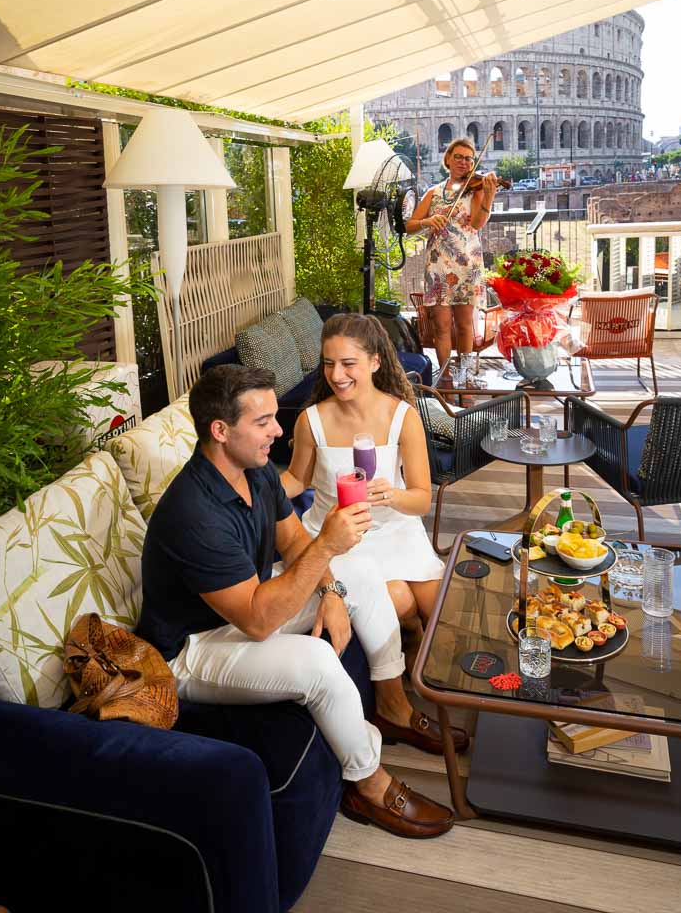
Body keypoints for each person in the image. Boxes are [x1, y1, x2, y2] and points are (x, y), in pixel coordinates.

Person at [137, 364, 457, 838]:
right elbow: (259, 621)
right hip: (191, 650)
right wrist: (326, 545)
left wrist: (329, 588)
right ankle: (368, 786)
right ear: (220, 431)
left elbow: (291, 544)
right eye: (263, 421)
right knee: (317, 663)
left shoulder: (257, 472)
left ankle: (392, 707)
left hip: (245, 608)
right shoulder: (193, 513)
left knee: (360, 571)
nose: (278, 429)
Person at [281, 313, 444, 629]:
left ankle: (429, 660)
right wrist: (250, 485)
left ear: (375, 362)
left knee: (437, 608)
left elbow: (422, 501)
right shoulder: (311, 421)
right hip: (336, 537)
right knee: (400, 598)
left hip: (395, 530)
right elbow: (297, 480)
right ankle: (409, 637)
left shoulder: (403, 417)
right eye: (329, 363)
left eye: (348, 363)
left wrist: (392, 495)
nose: (336, 374)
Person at [404, 138, 499, 368]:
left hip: (467, 266)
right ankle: (446, 376)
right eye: (458, 157)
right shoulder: (433, 192)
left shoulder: (475, 191)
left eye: (469, 158)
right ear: (447, 159)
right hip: (438, 268)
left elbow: (477, 223)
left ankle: (464, 376)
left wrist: (489, 196)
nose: (464, 162)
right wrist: (427, 220)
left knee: (466, 325)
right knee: (441, 326)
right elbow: (410, 225)